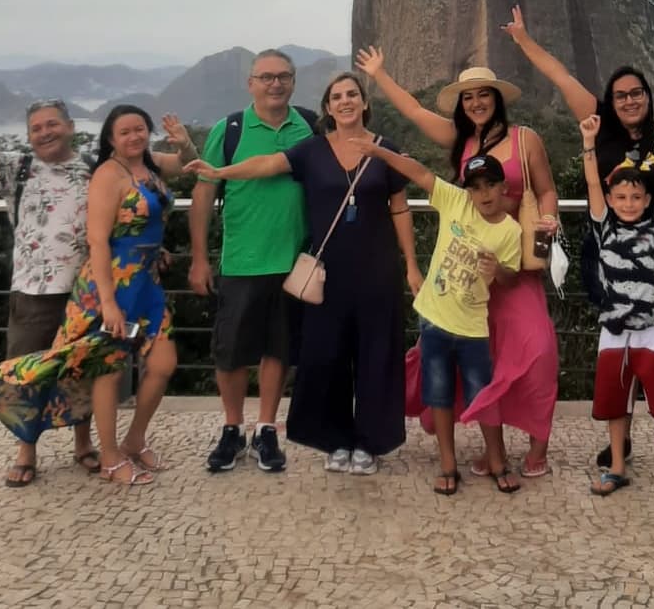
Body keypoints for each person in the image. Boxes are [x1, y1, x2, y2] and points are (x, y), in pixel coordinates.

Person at [501, 5, 654, 477]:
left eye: (637, 93)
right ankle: (623, 442)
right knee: (621, 350)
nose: (629, 100)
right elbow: (560, 75)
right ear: (610, 101)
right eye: (621, 95)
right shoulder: (600, 124)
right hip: (612, 256)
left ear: (647, 97)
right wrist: (523, 39)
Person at [187, 72, 421, 475]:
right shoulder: (311, 150)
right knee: (328, 356)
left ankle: (370, 441)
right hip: (327, 272)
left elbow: (400, 209)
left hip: (377, 270)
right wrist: (220, 173)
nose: (345, 101)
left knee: (375, 356)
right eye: (337, 97)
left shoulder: (386, 150)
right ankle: (335, 440)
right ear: (328, 108)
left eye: (352, 95)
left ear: (365, 103)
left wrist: (412, 267)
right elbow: (265, 165)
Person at [355, 48, 559, 479]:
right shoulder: (462, 141)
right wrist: (380, 73)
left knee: (538, 351)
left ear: (497, 98)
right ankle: (493, 453)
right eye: (468, 98)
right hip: (471, 284)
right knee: (489, 364)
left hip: (514, 262)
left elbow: (545, 190)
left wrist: (548, 222)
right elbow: (412, 111)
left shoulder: (526, 140)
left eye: (484, 95)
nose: (476, 103)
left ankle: (539, 445)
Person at [0, 104, 197, 485]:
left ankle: (134, 440)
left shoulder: (149, 167)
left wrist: (184, 144)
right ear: (111, 139)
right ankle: (111, 457)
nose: (133, 137)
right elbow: (98, 242)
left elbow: (192, 167)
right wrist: (108, 303)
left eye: (139, 129)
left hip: (146, 284)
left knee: (163, 364)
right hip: (112, 284)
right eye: (124, 132)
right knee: (108, 370)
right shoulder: (107, 174)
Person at [352, 141, 523, 495]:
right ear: (467, 192)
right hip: (434, 319)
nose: (483, 193)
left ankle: (497, 458)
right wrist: (380, 153)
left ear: (503, 187)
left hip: (473, 327)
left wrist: (500, 270)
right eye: (475, 187)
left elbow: (512, 277)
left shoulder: (510, 230)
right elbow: (418, 172)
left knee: (484, 397)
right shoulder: (455, 201)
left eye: (490, 185)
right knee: (440, 394)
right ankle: (448, 463)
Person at [190, 49, 316, 475]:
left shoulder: (309, 126)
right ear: (251, 83)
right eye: (266, 77)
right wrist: (198, 258)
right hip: (241, 261)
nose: (274, 84)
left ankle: (265, 429)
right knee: (230, 352)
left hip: (292, 260)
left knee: (278, 349)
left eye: (283, 76)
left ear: (294, 81)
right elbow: (204, 192)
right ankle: (231, 428)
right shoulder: (230, 129)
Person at [0, 98, 97, 486]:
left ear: (70, 127)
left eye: (52, 124)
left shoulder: (94, 167)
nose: (45, 133)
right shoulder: (15, 167)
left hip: (85, 291)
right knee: (24, 371)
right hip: (32, 290)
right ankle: (26, 452)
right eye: (36, 128)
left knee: (82, 367)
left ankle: (83, 444)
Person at [580, 114, 654, 506]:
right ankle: (616, 466)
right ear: (611, 201)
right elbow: (594, 181)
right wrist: (589, 143)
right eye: (621, 197)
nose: (628, 203)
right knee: (616, 404)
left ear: (646, 200)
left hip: (651, 330)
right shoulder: (603, 228)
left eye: (635, 197)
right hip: (613, 331)